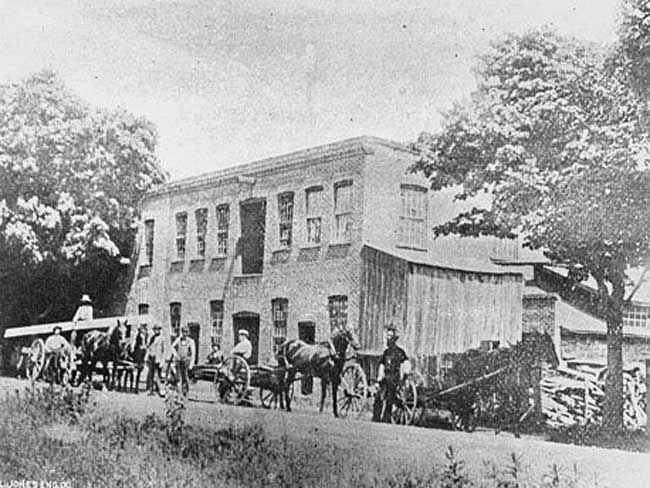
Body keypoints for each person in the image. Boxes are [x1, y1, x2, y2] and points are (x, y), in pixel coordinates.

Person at [372, 326, 410, 423]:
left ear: (394, 339)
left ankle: (386, 418)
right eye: (387, 336)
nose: (388, 339)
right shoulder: (386, 352)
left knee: (390, 397)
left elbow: (406, 362)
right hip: (385, 376)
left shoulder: (400, 352)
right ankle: (376, 417)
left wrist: (405, 373)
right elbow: (382, 364)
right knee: (378, 397)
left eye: (390, 337)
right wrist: (379, 378)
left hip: (394, 377)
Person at [171, 325, 196, 396]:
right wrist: (175, 355)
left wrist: (191, 364)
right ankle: (179, 391)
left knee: (185, 377)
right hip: (179, 361)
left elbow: (193, 353)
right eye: (183, 332)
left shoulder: (191, 341)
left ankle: (185, 392)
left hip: (186, 361)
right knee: (178, 376)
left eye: (186, 332)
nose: (185, 333)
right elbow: (172, 346)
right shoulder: (179, 339)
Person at [145, 323, 166, 395]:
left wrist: (162, 361)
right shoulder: (152, 338)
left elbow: (164, 350)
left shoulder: (162, 338)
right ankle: (150, 389)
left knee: (159, 375)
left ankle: (159, 389)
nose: (156, 331)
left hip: (158, 359)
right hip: (152, 358)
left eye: (157, 329)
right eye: (155, 330)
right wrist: (147, 357)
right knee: (151, 374)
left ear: (159, 330)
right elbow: (149, 347)